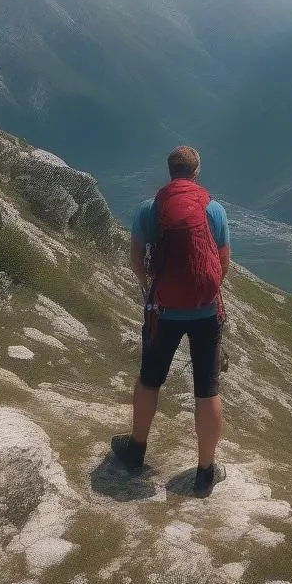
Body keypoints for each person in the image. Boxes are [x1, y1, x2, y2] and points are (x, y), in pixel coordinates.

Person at [110, 145, 232, 497]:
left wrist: (151, 287)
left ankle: (136, 450)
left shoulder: (149, 209)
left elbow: (136, 259)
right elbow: (223, 264)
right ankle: (205, 472)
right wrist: (203, 294)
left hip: (163, 312)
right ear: (196, 172)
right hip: (207, 313)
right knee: (207, 390)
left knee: (149, 380)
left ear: (169, 172)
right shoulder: (215, 210)